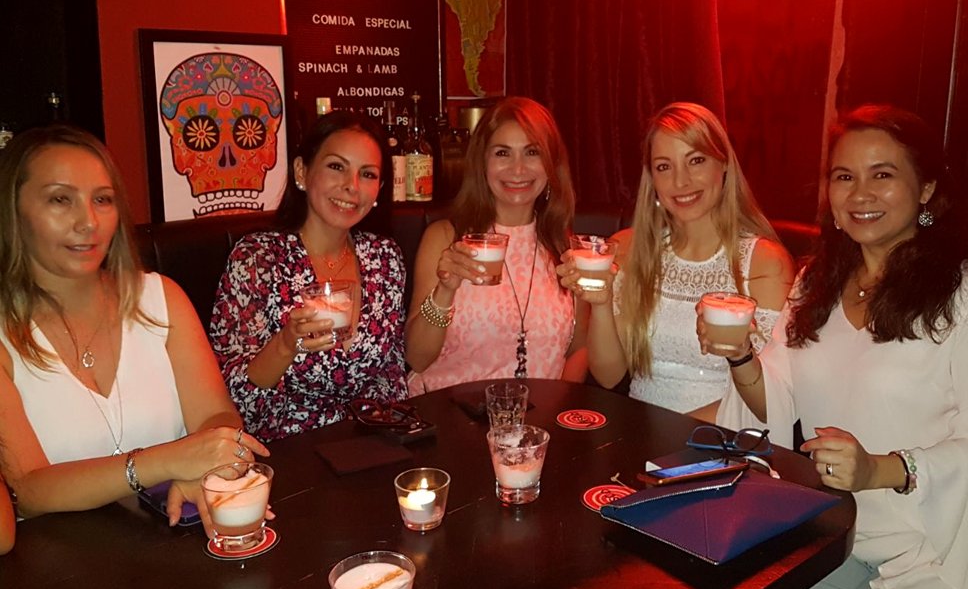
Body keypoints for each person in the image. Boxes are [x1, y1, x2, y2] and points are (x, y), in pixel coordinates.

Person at [713, 105, 968, 589]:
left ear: (926, 188)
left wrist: (878, 469)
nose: (860, 193)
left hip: (927, 550)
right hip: (830, 531)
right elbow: (775, 400)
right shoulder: (815, 282)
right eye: (844, 176)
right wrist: (739, 354)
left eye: (882, 175)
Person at [0, 125, 266, 531]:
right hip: (62, 558)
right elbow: (30, 489)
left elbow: (215, 414)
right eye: (60, 199)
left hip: (173, 539)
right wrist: (168, 461)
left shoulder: (161, 297)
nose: (88, 221)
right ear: (13, 210)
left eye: (102, 200)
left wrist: (208, 465)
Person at [559, 102, 794, 420]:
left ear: (723, 164)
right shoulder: (628, 248)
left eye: (696, 160)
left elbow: (770, 404)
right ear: (652, 179)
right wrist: (599, 304)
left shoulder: (765, 263)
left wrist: (671, 435)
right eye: (664, 167)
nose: (681, 181)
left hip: (721, 436)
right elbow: (609, 375)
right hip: (639, 430)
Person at [210, 110, 407, 442]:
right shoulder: (259, 258)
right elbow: (232, 396)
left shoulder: (384, 257)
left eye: (367, 174)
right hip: (288, 447)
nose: (351, 186)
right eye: (336, 167)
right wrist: (286, 344)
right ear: (302, 172)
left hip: (371, 442)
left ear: (379, 189)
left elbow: (391, 373)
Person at [405, 96, 584, 392]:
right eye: (502, 153)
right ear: (482, 163)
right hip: (446, 412)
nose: (518, 169)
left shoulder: (565, 247)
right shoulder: (445, 238)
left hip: (535, 417)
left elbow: (579, 349)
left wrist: (556, 406)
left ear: (551, 164)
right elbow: (417, 358)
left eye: (532, 152)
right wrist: (445, 290)